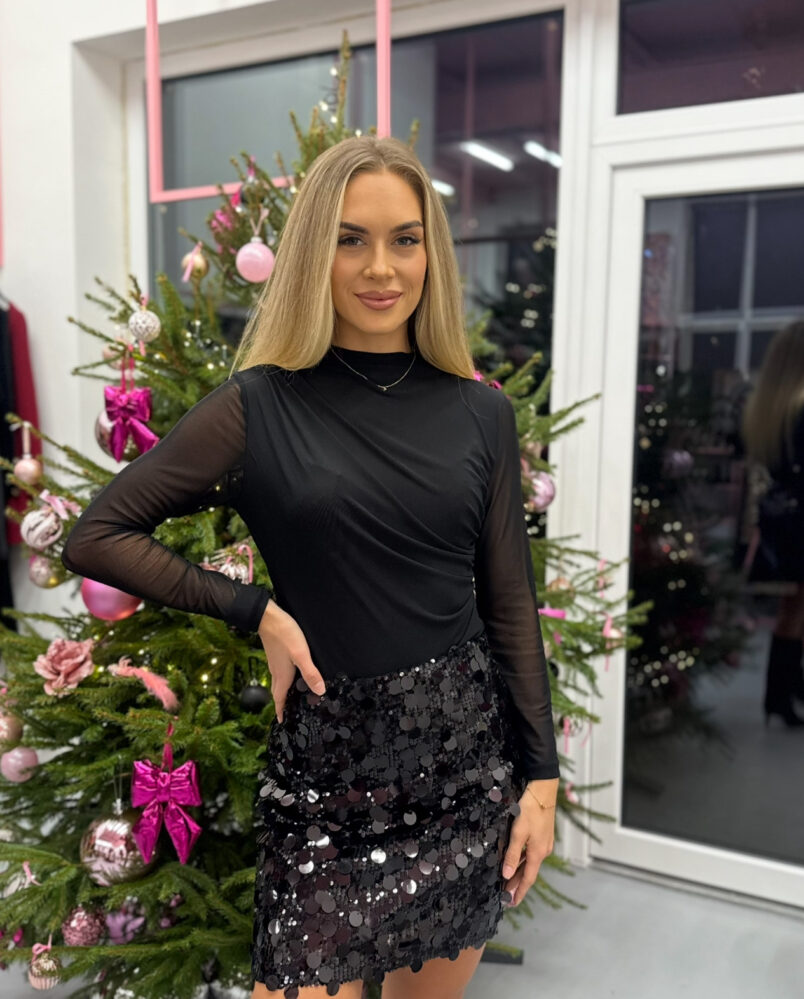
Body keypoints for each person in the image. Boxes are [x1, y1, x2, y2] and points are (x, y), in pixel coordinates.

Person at [61, 135, 560, 999]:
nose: (381, 267)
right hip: (329, 783)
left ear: (431, 253)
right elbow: (98, 534)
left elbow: (510, 602)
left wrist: (542, 780)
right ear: (312, 253)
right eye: (349, 238)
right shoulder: (258, 406)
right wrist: (255, 609)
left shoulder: (480, 414)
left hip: (463, 770)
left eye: (405, 239)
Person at [742, 319, 804, 728]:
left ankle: (784, 691)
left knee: (793, 608)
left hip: (786, 519)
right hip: (800, 519)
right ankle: (781, 695)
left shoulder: (770, 408)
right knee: (795, 610)